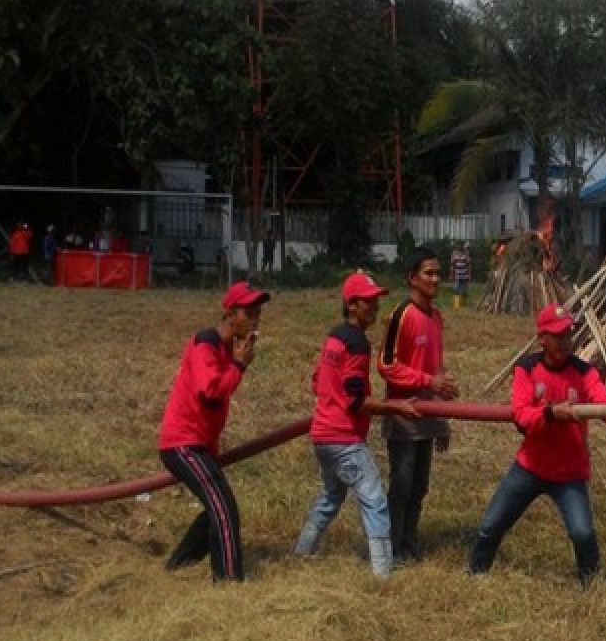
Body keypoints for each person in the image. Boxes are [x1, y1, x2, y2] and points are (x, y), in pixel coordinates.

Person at [468, 304, 606, 585]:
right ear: (542, 338)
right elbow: (521, 415)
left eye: (568, 334)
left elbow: (601, 399)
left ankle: (591, 587)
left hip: (570, 473)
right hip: (529, 467)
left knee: (583, 534)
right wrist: (551, 413)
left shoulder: (584, 372)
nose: (566, 341)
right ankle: (475, 577)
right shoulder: (526, 369)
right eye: (558, 336)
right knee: (490, 526)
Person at [293, 272, 422, 578]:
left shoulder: (333, 338)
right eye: (368, 301)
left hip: (322, 435)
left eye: (376, 299)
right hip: (344, 438)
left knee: (331, 496)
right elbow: (355, 401)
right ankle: (383, 572)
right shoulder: (357, 344)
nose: (375, 305)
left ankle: (301, 551)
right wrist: (396, 406)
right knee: (375, 499)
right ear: (351, 305)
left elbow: (317, 381)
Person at [157, 281, 271, 581]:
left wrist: (235, 363)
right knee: (224, 507)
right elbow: (210, 391)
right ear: (230, 313)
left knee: (214, 508)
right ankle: (229, 582)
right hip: (182, 443)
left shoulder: (222, 347)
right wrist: (239, 366)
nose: (255, 319)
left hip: (200, 444)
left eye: (258, 313)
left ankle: (178, 565)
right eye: (249, 313)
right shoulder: (205, 342)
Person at [376, 247, 458, 563]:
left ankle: (409, 544)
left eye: (439, 273)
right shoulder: (402, 314)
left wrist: (444, 417)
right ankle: (391, 548)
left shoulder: (437, 316)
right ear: (413, 278)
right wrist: (426, 381)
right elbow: (385, 364)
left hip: (430, 414)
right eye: (429, 273)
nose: (436, 279)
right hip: (404, 414)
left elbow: (436, 367)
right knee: (401, 486)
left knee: (420, 487)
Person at [450, 242, 471, 308]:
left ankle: (464, 304)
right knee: (456, 289)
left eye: (462, 245)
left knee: (464, 290)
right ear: (457, 246)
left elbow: (468, 265)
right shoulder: (454, 253)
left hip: (465, 274)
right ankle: (457, 305)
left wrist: (469, 274)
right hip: (457, 274)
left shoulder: (466, 253)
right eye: (459, 245)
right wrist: (451, 274)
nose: (460, 246)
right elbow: (452, 265)